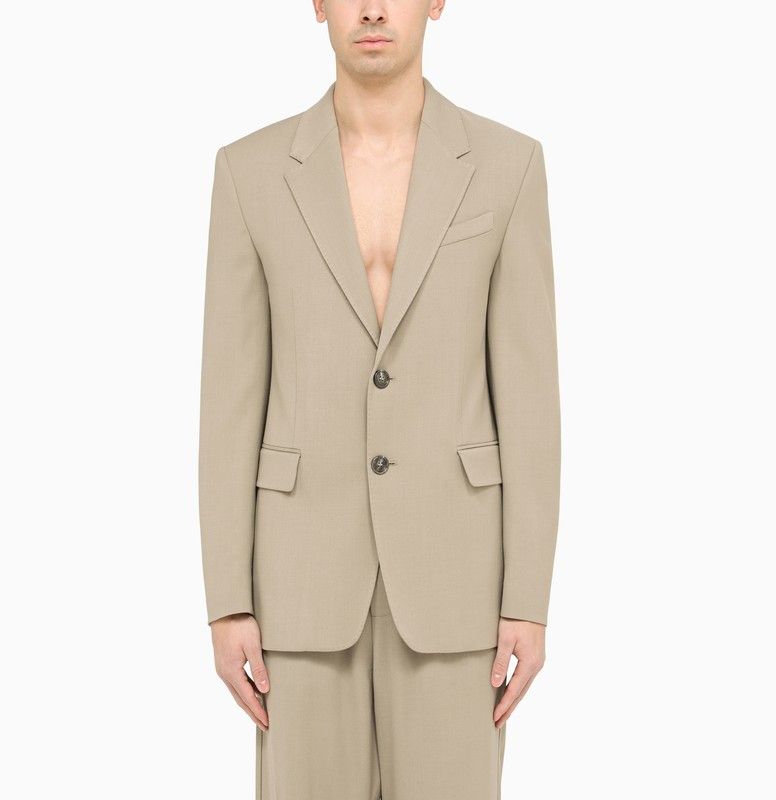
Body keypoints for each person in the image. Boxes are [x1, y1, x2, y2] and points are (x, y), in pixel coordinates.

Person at [198, 2, 560, 797]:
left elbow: (530, 396)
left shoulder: (508, 166)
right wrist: (227, 601)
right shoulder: (249, 172)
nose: (371, 8)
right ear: (316, 5)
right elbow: (228, 399)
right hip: (298, 581)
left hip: (458, 578)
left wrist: (528, 598)